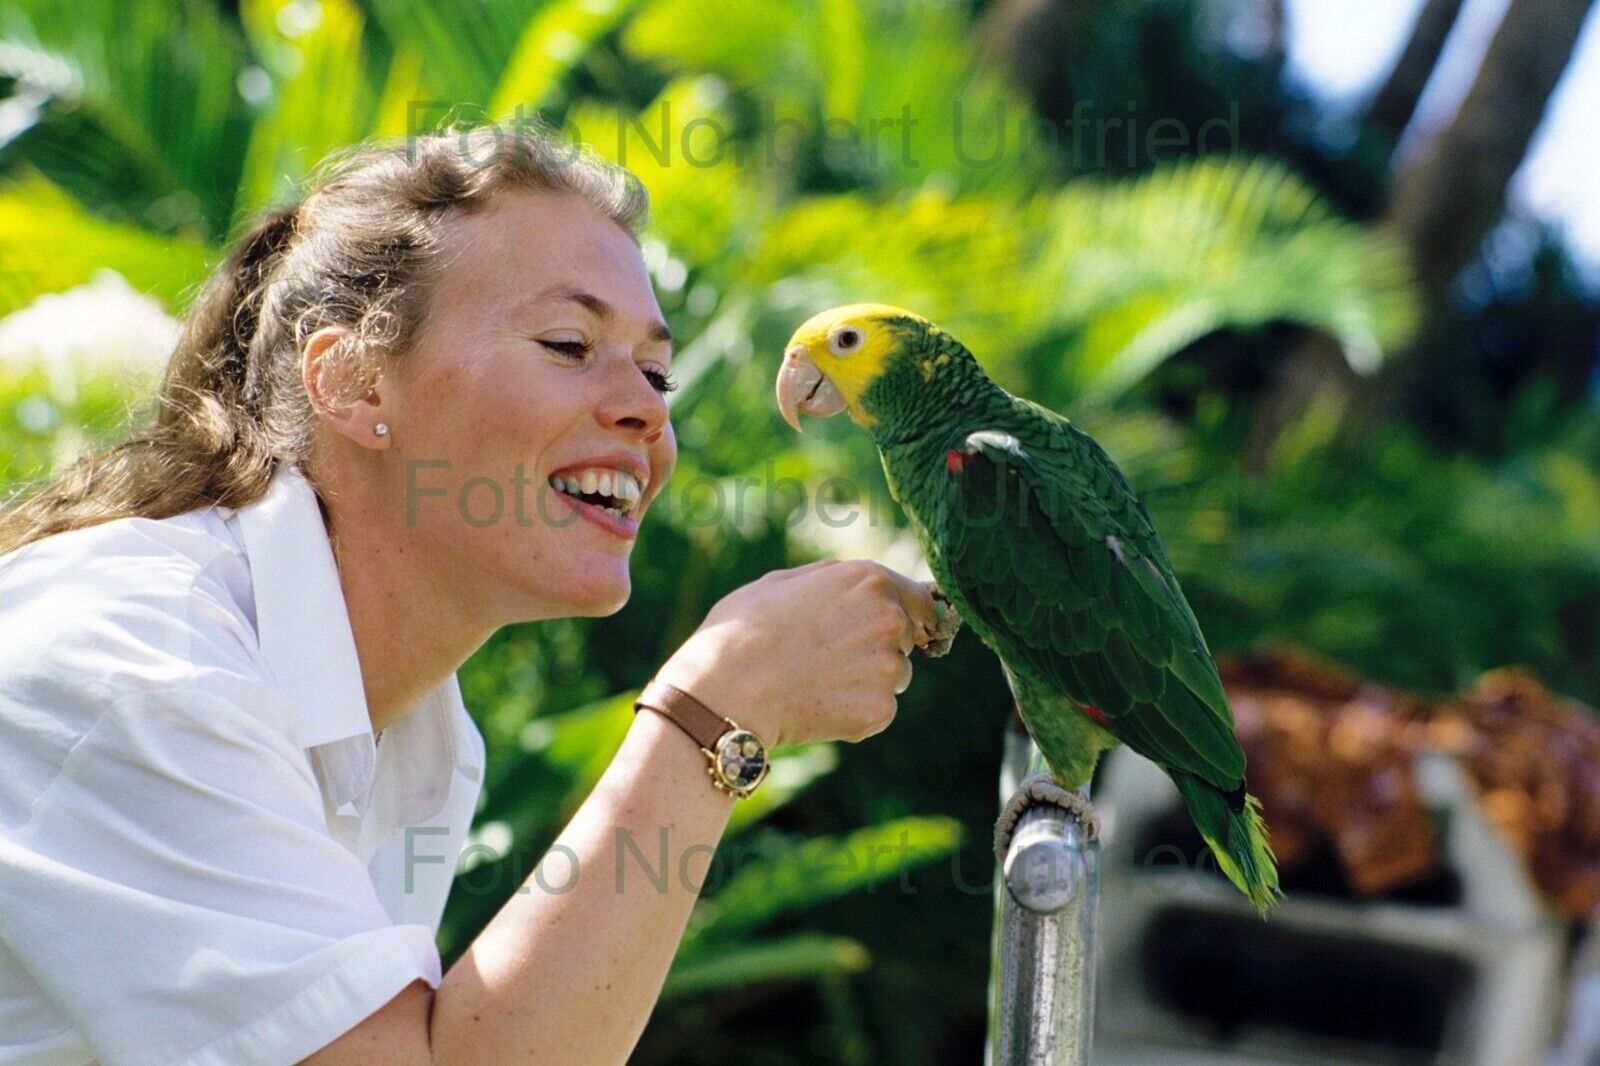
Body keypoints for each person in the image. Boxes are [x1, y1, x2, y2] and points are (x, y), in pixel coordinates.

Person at [0, 123, 937, 1065]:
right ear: (355, 380)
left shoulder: (421, 739)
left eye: (657, 373)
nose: (648, 410)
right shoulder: (137, 665)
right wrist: (718, 709)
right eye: (569, 344)